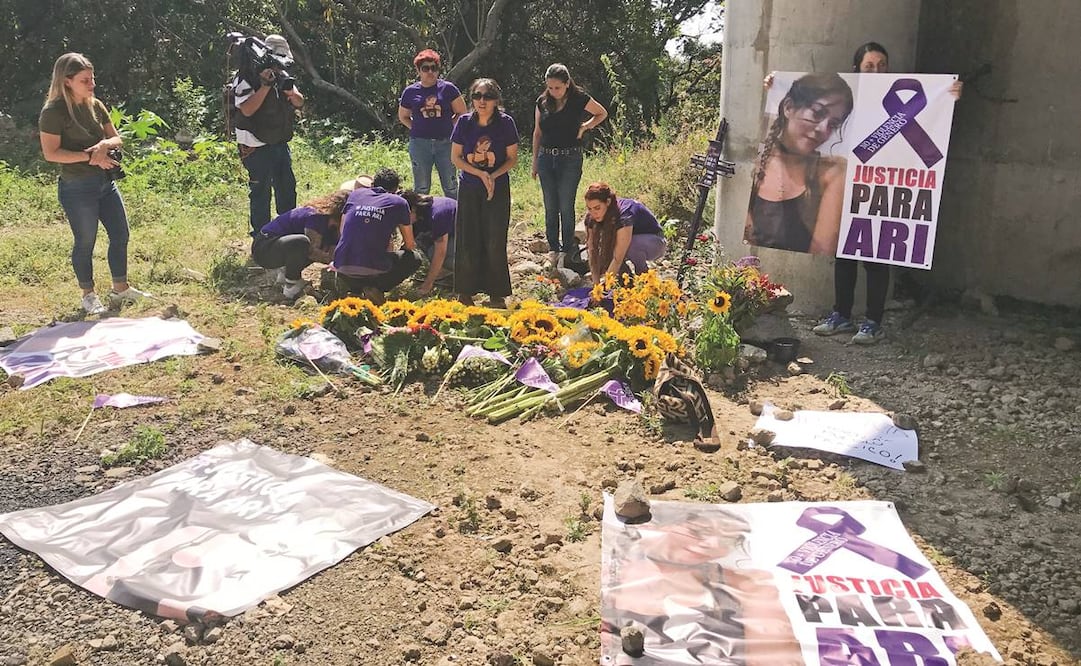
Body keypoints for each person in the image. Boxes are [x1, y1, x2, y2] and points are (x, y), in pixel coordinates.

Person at [811, 42, 963, 344]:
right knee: (844, 255)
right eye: (869, 65)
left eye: (882, 64)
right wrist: (775, 85)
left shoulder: (902, 99)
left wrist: (950, 96)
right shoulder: (846, 98)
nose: (877, 70)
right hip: (849, 185)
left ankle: (873, 322)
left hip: (883, 186)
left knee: (877, 255)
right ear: (857, 69)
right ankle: (841, 315)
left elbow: (933, 113)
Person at [600, 504, 801, 664]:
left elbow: (776, 653)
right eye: (698, 531)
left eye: (729, 541)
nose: (713, 545)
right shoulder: (612, 575)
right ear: (653, 527)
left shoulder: (745, 585)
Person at [38, 53, 149, 316]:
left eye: (92, 78)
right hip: (76, 187)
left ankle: (120, 289)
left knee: (121, 235)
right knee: (85, 242)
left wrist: (103, 145)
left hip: (105, 183)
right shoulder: (53, 112)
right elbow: (51, 153)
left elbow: (117, 139)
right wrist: (90, 156)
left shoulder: (96, 105)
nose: (92, 84)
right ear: (67, 81)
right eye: (85, 80)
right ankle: (88, 295)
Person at [746, 72, 854, 256]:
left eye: (833, 124)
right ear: (789, 107)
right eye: (817, 113)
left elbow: (822, 251)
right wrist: (773, 85)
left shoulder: (832, 172)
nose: (823, 129)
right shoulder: (753, 162)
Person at [531, 63, 608, 271]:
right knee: (550, 206)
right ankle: (553, 249)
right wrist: (535, 161)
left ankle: (568, 250)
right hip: (546, 157)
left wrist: (585, 126)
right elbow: (537, 132)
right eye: (550, 87)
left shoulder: (579, 98)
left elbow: (601, 113)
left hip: (570, 158)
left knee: (566, 205)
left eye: (557, 87)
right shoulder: (542, 102)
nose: (553, 91)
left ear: (567, 84)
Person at [450, 78, 518, 308]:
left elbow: (512, 158)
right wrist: (480, 174)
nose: (481, 101)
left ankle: (496, 293)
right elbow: (456, 157)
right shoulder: (464, 122)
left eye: (487, 97)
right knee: (468, 236)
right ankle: (465, 292)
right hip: (470, 185)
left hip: (497, 185)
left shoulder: (505, 123)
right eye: (477, 96)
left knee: (495, 238)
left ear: (496, 100)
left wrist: (493, 176)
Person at [232, 34, 304, 236]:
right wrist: (265, 86)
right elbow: (247, 110)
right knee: (260, 191)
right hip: (255, 145)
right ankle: (261, 236)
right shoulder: (246, 77)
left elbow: (299, 102)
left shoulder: (282, 75)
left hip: (279, 141)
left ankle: (287, 230)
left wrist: (290, 93)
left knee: (287, 187)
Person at [329, 168, 420, 304]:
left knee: (364, 260)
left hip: (342, 265)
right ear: (396, 189)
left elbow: (343, 231)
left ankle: (356, 289)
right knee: (414, 258)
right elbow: (410, 243)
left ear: (372, 184)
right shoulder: (399, 203)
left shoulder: (356, 195)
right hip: (373, 268)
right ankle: (377, 288)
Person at [251, 189, 347, 300]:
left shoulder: (332, 226)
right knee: (303, 243)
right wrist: (337, 262)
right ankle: (292, 284)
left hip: (280, 246)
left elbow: (333, 249)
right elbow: (312, 251)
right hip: (264, 248)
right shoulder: (317, 216)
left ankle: (286, 273)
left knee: (309, 246)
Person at [398, 49, 466, 200]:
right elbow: (403, 116)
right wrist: (416, 127)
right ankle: (421, 214)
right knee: (421, 186)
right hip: (420, 144)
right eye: (425, 68)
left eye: (433, 68)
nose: (430, 72)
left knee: (451, 185)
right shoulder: (410, 92)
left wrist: (449, 125)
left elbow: (461, 112)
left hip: (446, 143)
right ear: (418, 70)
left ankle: (455, 213)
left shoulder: (448, 89)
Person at [583, 182, 667, 284]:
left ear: (608, 202)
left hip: (655, 242)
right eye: (589, 209)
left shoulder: (624, 214)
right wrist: (596, 285)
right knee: (606, 244)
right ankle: (626, 278)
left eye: (597, 208)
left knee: (629, 244)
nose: (593, 213)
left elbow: (618, 258)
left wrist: (604, 287)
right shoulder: (591, 218)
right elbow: (592, 251)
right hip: (632, 241)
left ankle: (643, 276)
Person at [401, 190, 456, 296]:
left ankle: (463, 271)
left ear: (412, 209)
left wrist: (427, 284)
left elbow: (440, 252)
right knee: (420, 239)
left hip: (467, 238)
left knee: (434, 252)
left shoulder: (438, 214)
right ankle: (441, 270)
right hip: (449, 233)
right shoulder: (419, 213)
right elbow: (408, 243)